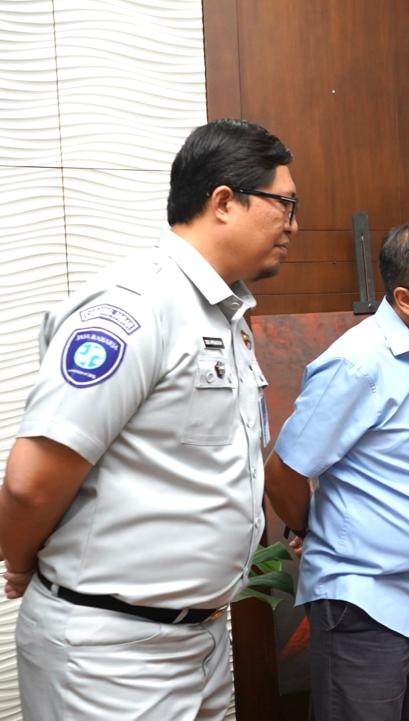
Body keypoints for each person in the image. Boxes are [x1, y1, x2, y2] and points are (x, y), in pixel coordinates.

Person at [0, 118, 296, 719]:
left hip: (199, 639)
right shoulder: (135, 308)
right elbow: (31, 484)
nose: (293, 224)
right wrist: (22, 562)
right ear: (223, 202)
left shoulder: (223, 314)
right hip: (112, 657)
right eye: (284, 204)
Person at [263, 220, 409, 721]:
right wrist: (306, 529)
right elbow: (283, 472)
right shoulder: (357, 364)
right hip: (364, 598)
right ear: (405, 300)